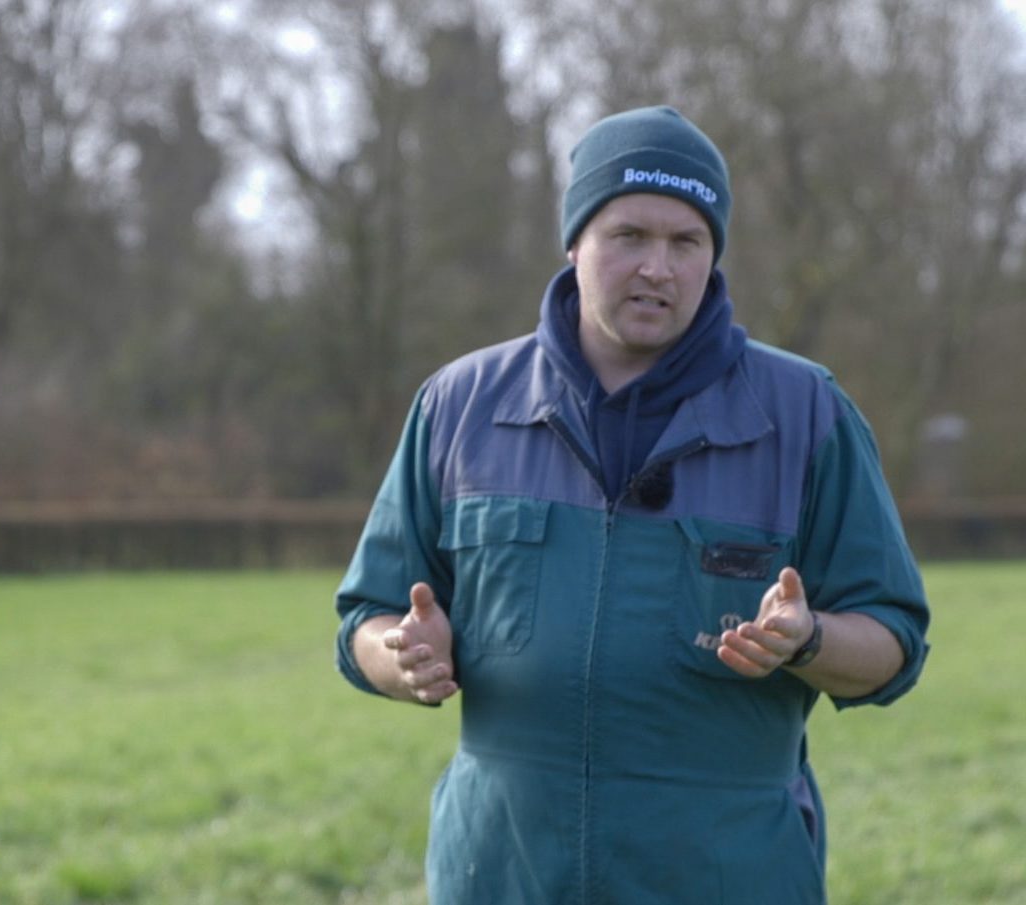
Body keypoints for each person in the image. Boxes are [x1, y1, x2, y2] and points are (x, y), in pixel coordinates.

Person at [334, 105, 930, 904]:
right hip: (502, 872)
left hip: (726, 876)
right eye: (629, 236)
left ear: (713, 256)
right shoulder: (459, 404)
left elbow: (892, 642)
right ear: (574, 242)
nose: (658, 267)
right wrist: (400, 654)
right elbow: (365, 619)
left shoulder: (806, 414)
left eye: (686, 242)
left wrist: (808, 637)